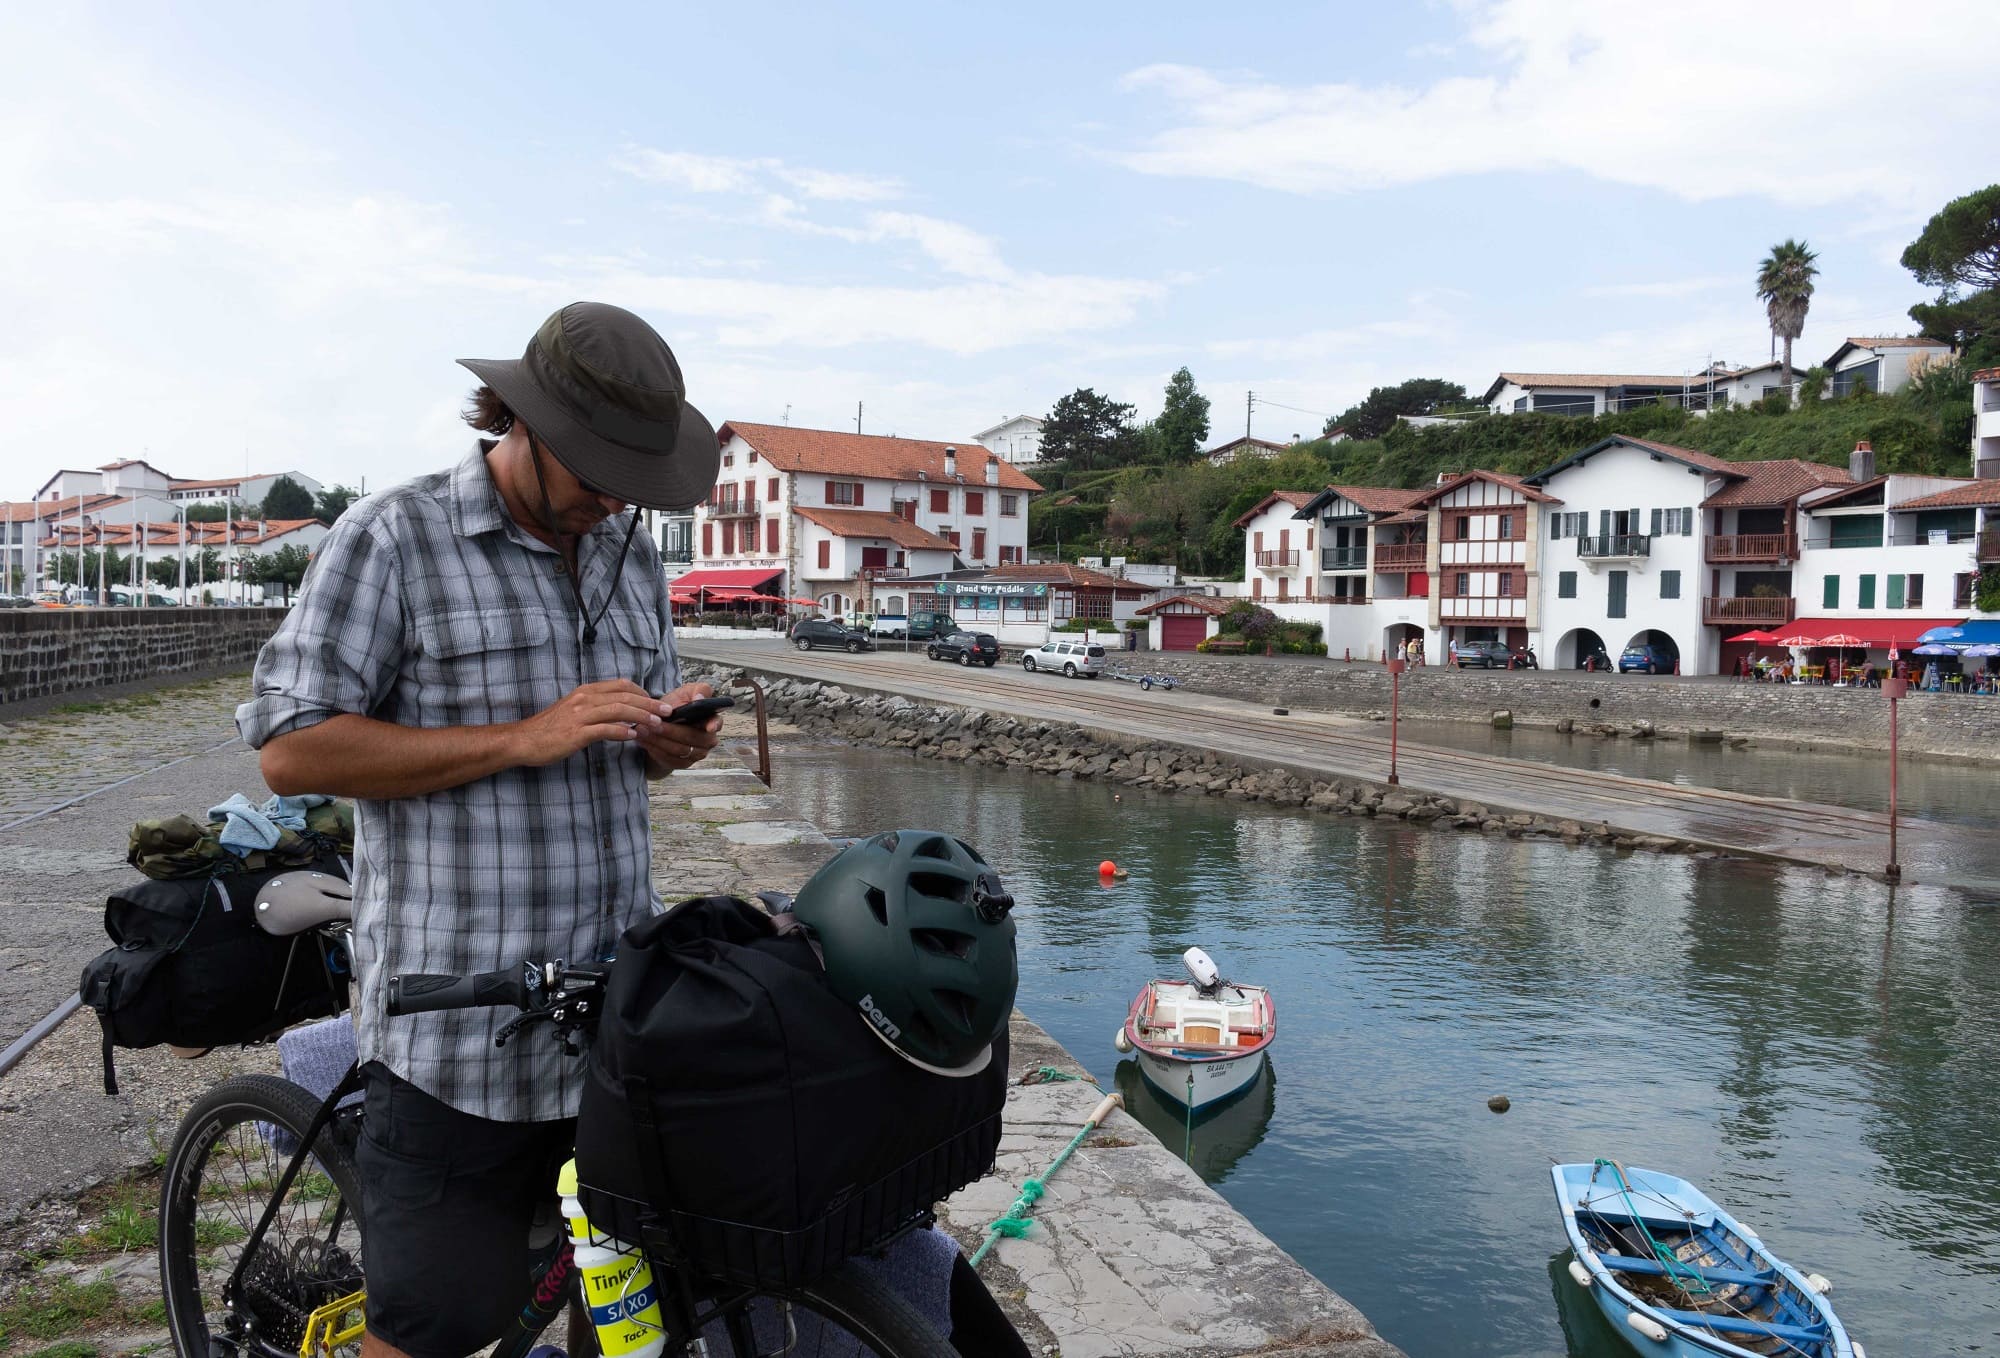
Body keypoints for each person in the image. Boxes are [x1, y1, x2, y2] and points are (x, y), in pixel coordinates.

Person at [237, 303, 728, 1358]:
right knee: (429, 1331)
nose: (612, 496)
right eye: (597, 467)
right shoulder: (392, 537)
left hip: (611, 1025)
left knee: (622, 1313)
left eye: (631, 477)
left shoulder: (625, 554)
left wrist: (660, 741)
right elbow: (289, 749)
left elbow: (609, 736)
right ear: (523, 422)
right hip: (457, 1034)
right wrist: (518, 738)